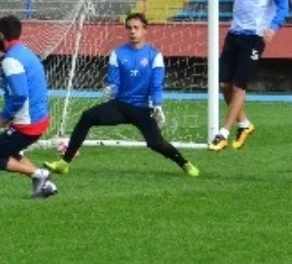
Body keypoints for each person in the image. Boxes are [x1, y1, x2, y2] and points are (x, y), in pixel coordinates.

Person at [45, 13, 199, 177]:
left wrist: (157, 104)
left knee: (155, 143)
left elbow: (156, 84)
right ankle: (64, 163)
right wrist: (110, 89)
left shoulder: (155, 56)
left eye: (136, 28)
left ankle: (185, 164)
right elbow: (114, 82)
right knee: (87, 116)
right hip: (120, 106)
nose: (132, 31)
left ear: (144, 30)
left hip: (142, 108)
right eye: (129, 28)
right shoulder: (117, 54)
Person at [205, 0, 289, 151]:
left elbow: (284, 3)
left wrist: (273, 27)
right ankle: (244, 124)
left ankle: (222, 134)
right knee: (225, 85)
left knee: (240, 87)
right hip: (235, 33)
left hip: (254, 37)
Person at [0, 15, 59, 199]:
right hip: (40, 118)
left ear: (0, 35)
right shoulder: (26, 52)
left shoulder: (11, 60)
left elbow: (19, 95)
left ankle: (40, 175)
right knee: (10, 150)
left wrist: (3, 117)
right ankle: (45, 184)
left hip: (28, 124)